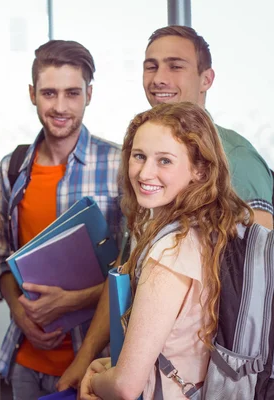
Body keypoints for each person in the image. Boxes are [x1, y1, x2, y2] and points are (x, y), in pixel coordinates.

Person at [57, 25, 274, 391]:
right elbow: (126, 271)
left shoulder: (235, 158)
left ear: (206, 78)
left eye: (175, 66)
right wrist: (91, 360)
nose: (159, 78)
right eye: (151, 66)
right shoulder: (156, 194)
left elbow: (253, 282)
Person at [79, 101, 252, 399]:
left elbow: (126, 386)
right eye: (139, 156)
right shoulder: (205, 232)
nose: (145, 173)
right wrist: (112, 367)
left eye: (165, 161)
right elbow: (177, 346)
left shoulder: (171, 250)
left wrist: (93, 384)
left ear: (199, 170)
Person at [0, 40, 122, 399]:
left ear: (89, 94)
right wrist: (18, 311)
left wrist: (73, 300)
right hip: (23, 363)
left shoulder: (123, 165)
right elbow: (2, 259)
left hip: (94, 365)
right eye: (49, 93)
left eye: (72, 93)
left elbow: (136, 272)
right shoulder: (11, 169)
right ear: (33, 94)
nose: (60, 107)